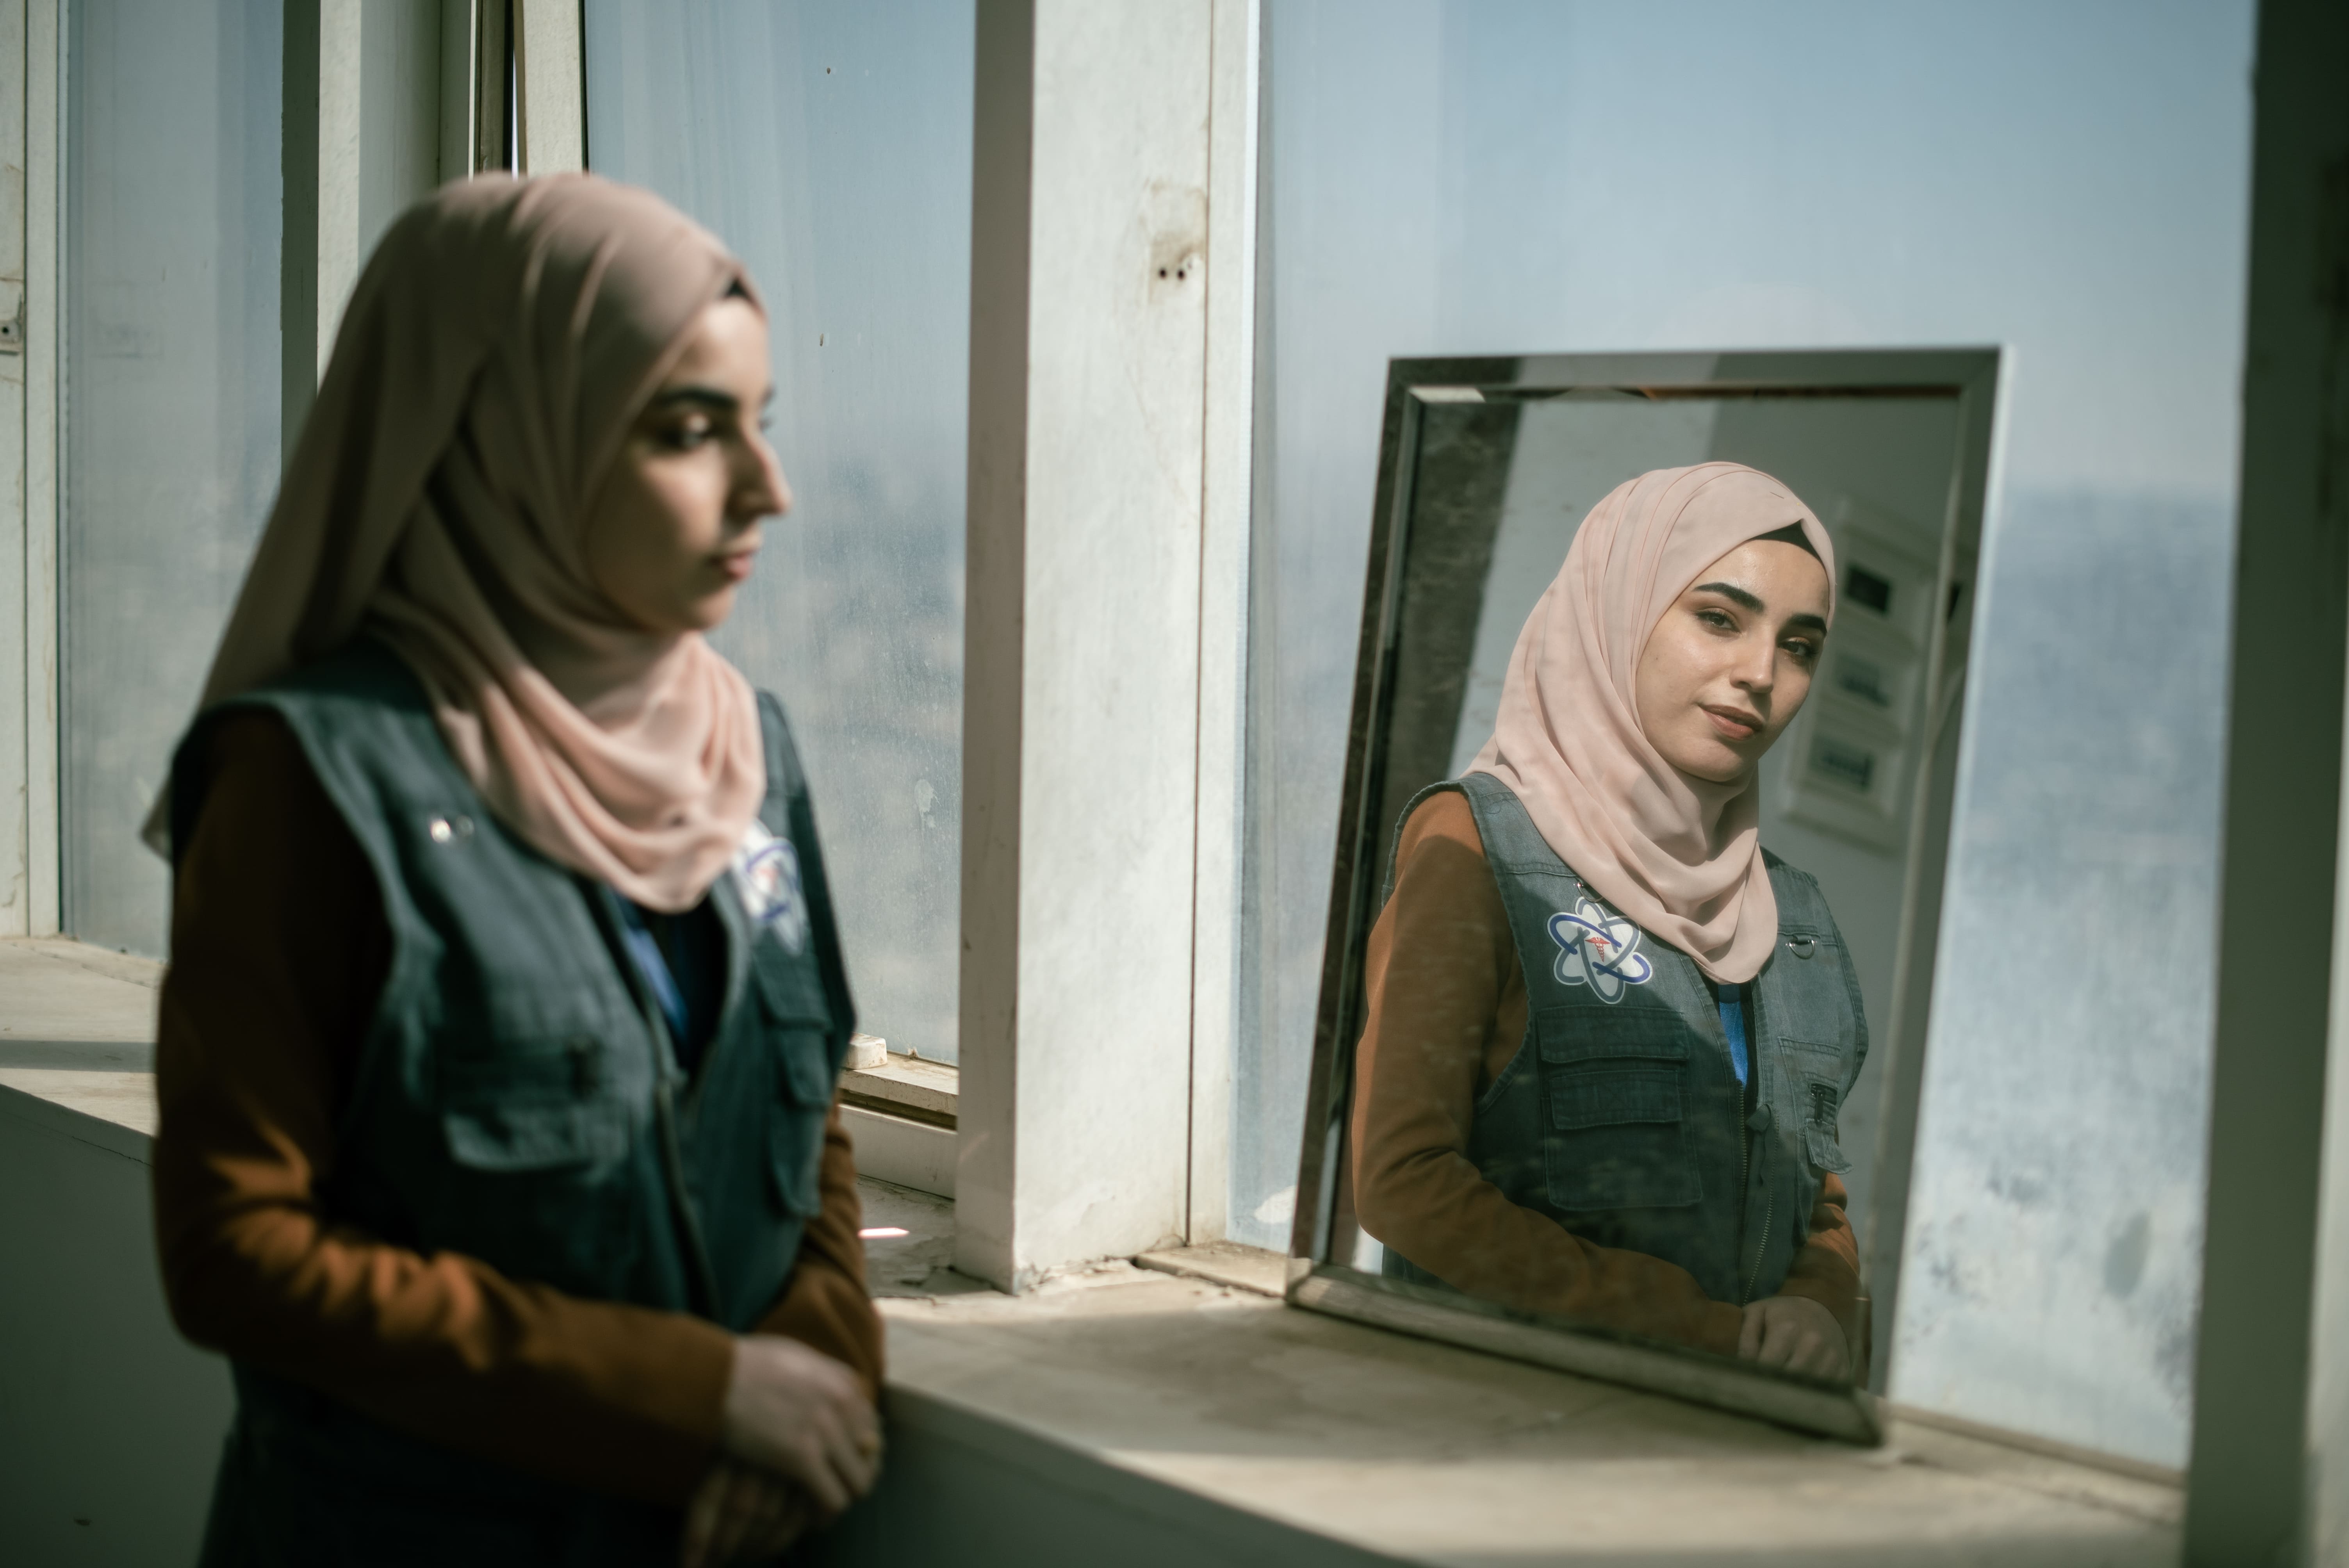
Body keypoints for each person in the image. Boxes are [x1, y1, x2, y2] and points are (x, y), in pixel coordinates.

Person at [148, 175, 881, 1567]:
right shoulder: (310, 778)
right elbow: (235, 1251)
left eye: (761, 426)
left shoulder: (745, 748)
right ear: (499, 436)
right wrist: (696, 1397)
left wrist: (818, 1366)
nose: (766, 489)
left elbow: (805, 1124)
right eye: (686, 429)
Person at [1350, 462, 1866, 1381]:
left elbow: (1811, 1201)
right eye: (1717, 617)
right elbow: (1406, 1183)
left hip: (1730, 1450)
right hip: (1494, 1429)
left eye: (1799, 646)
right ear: (1616, 609)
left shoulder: (1790, 917)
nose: (1759, 673)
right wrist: (1700, 1335)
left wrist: (1817, 1308)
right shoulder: (1475, 847)